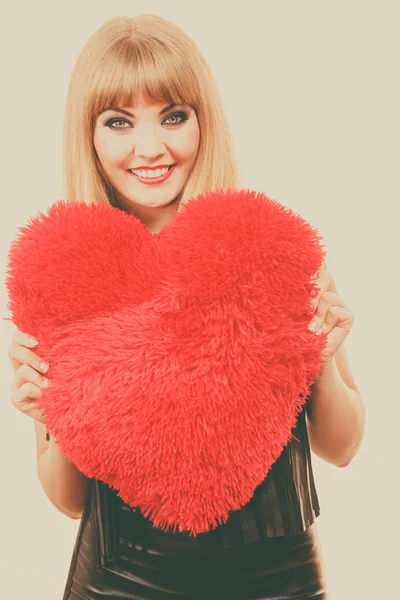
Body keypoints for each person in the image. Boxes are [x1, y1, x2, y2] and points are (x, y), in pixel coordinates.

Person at [8, 13, 366, 600]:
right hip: (115, 581)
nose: (150, 147)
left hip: (282, 580)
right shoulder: (63, 277)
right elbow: (69, 502)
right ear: (88, 135)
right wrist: (45, 416)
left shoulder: (266, 248)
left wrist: (318, 356)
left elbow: (343, 447)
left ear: (204, 121)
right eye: (119, 122)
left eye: (173, 116)